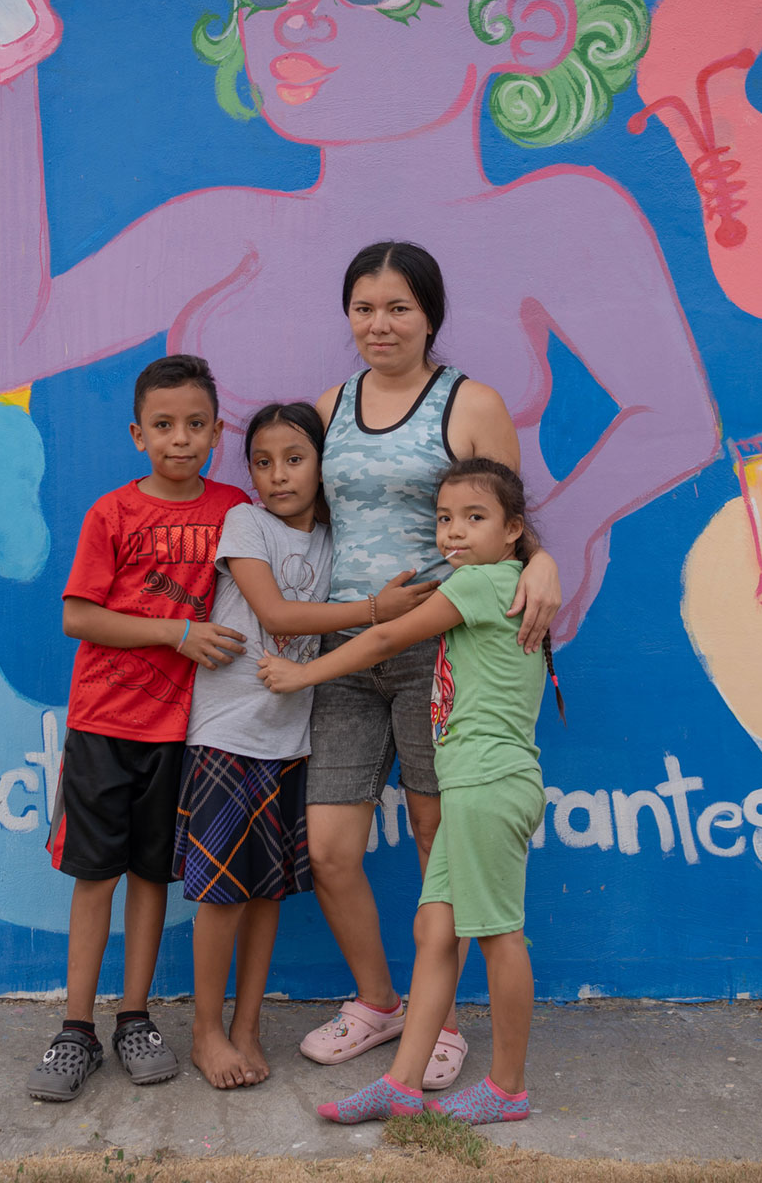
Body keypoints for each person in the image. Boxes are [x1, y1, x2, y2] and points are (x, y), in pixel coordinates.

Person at [0, 0, 720, 644]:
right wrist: (6, 95)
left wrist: (564, 532)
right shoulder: (226, 232)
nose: (300, 16)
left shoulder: (561, 220)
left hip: (458, 632)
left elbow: (675, 416)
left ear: (522, 23)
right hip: (258, 645)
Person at [294, 241, 555, 1092]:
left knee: (441, 848)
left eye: (399, 308)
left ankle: (439, 1025)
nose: (380, 324)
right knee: (331, 846)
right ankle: (382, 1005)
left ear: (431, 315)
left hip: (435, 656)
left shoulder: (470, 402)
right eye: (364, 308)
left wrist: (544, 567)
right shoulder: (331, 405)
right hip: (346, 649)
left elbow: (509, 521)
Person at [260, 458, 552, 1125]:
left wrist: (303, 677)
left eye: (474, 519)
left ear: (513, 532)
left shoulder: (484, 583)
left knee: (501, 936)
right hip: (474, 782)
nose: (453, 532)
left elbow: (388, 636)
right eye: (444, 519)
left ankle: (508, 1089)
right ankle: (402, 1083)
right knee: (435, 929)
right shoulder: (487, 579)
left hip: (487, 783)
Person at [175, 402, 433, 1089]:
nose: (277, 476)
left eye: (295, 459)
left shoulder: (332, 538)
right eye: (262, 462)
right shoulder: (246, 523)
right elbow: (280, 615)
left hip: (290, 741)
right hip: (228, 736)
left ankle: (247, 1027)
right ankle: (206, 1030)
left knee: (265, 895)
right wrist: (377, 609)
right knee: (221, 896)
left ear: (323, 465)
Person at [28, 354, 250, 1102]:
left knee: (153, 875)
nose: (180, 439)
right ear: (137, 433)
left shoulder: (233, 512)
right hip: (105, 722)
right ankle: (75, 1030)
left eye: (195, 425)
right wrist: (176, 634)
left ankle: (134, 1018)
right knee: (97, 876)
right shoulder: (111, 515)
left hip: (181, 731)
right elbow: (77, 616)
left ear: (218, 431)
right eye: (163, 425)